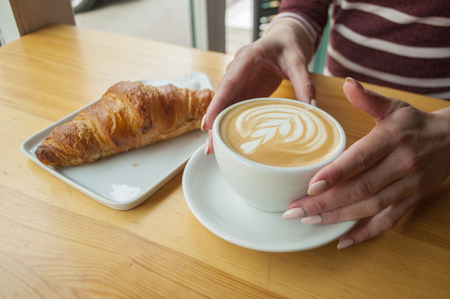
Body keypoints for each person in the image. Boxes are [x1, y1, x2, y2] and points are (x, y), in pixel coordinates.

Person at [200, 0, 450, 249]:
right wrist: (285, 31)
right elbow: (307, 7)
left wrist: (445, 130)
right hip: (337, 98)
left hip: (432, 137)